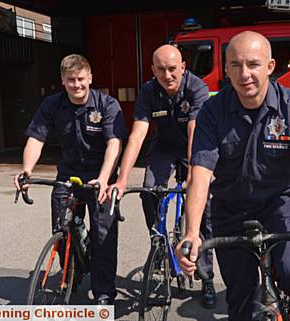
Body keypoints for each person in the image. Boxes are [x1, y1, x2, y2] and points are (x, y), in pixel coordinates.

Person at [177, 31, 290, 321]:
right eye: (235, 65)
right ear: (226, 69)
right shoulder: (212, 111)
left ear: (271, 66)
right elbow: (200, 174)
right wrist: (192, 232)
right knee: (241, 297)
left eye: (253, 64)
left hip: (278, 206)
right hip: (229, 210)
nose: (244, 74)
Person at [106, 44, 217, 308]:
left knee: (203, 206)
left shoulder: (197, 88)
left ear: (182, 68)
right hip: (164, 146)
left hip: (196, 145)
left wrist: (194, 174)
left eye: (172, 69)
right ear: (153, 70)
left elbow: (194, 131)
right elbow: (138, 134)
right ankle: (158, 242)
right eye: (161, 69)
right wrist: (121, 179)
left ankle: (207, 277)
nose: (167, 75)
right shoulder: (148, 91)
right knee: (149, 191)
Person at [14, 54, 127, 305]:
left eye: (80, 79)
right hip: (68, 176)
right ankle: (71, 275)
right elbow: (36, 138)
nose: (76, 85)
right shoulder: (52, 105)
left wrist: (104, 178)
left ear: (90, 78)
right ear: (62, 81)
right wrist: (27, 170)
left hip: (101, 178)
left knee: (103, 239)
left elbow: (114, 143)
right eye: (70, 80)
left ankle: (104, 294)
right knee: (62, 229)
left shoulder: (107, 105)